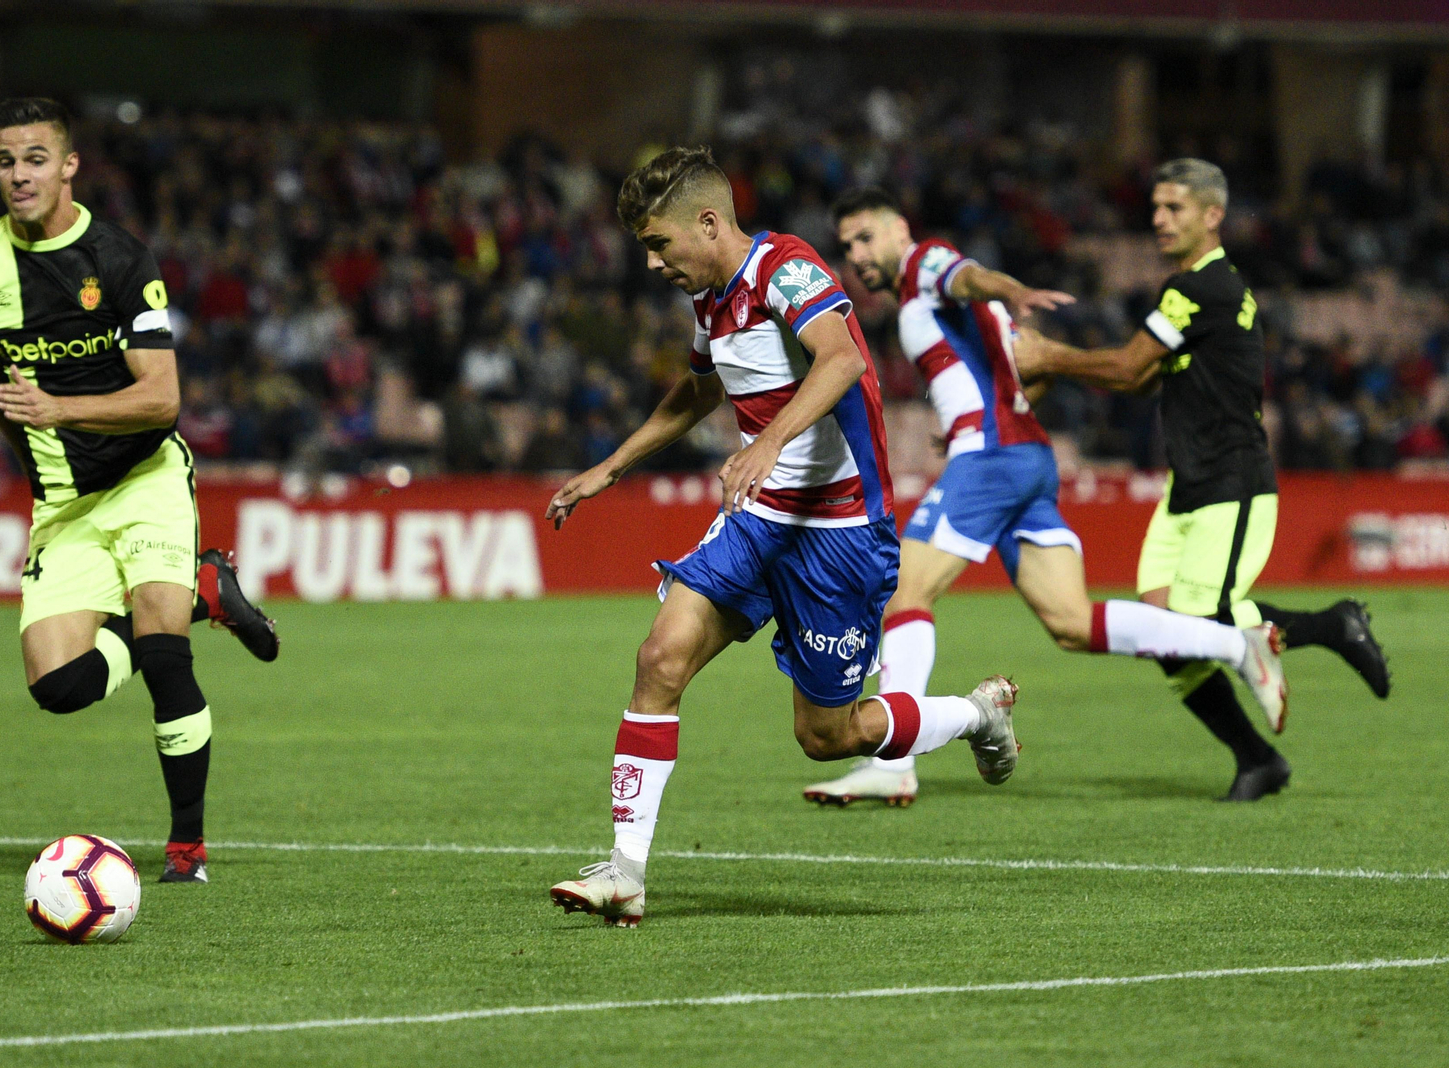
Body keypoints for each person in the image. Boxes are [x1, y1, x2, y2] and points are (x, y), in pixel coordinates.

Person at [544, 147, 1022, 928]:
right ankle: (626, 872)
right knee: (659, 659)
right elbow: (697, 391)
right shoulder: (708, 298)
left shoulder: (785, 268)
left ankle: (976, 715)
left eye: (660, 243)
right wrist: (613, 466)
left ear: (707, 222)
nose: (655, 263)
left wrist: (769, 441)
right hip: (760, 524)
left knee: (827, 736)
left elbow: (840, 358)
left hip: (838, 533)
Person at [801, 188, 1288, 809]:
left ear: (899, 229)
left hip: (994, 457)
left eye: (866, 237)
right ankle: (1235, 643)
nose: (858, 255)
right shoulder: (923, 306)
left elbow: (965, 274)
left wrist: (1007, 290)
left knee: (904, 592)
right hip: (1026, 456)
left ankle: (891, 761)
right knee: (1072, 622)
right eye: (846, 247)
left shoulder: (924, 265)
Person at [0, 98, 280, 883]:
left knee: (166, 657)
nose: (18, 175)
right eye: (4, 161)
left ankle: (186, 851)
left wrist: (58, 408)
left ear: (68, 166)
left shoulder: (120, 261)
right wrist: (29, 440)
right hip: (64, 500)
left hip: (144, 476)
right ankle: (204, 591)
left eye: (34, 158)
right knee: (59, 688)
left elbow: (163, 398)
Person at [1013, 158, 1389, 802]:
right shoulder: (1194, 292)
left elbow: (1131, 371)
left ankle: (1334, 624)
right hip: (1185, 488)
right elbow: (1141, 373)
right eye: (1155, 207)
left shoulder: (1204, 288)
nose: (1159, 219)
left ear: (1213, 216)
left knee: (1201, 617)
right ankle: (1256, 759)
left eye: (1175, 208)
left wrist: (1048, 356)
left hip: (1233, 480)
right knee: (1164, 632)